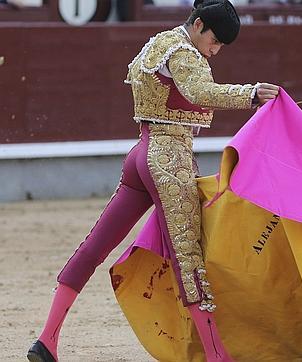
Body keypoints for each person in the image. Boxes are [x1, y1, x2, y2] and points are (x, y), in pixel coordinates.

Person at [26, 1, 279, 361]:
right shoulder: (185, 52)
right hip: (169, 160)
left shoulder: (159, 42)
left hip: (140, 155)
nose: (215, 50)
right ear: (199, 24)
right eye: (215, 40)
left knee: (94, 247)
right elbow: (199, 92)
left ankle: (47, 340)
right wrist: (250, 94)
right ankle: (218, 357)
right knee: (190, 259)